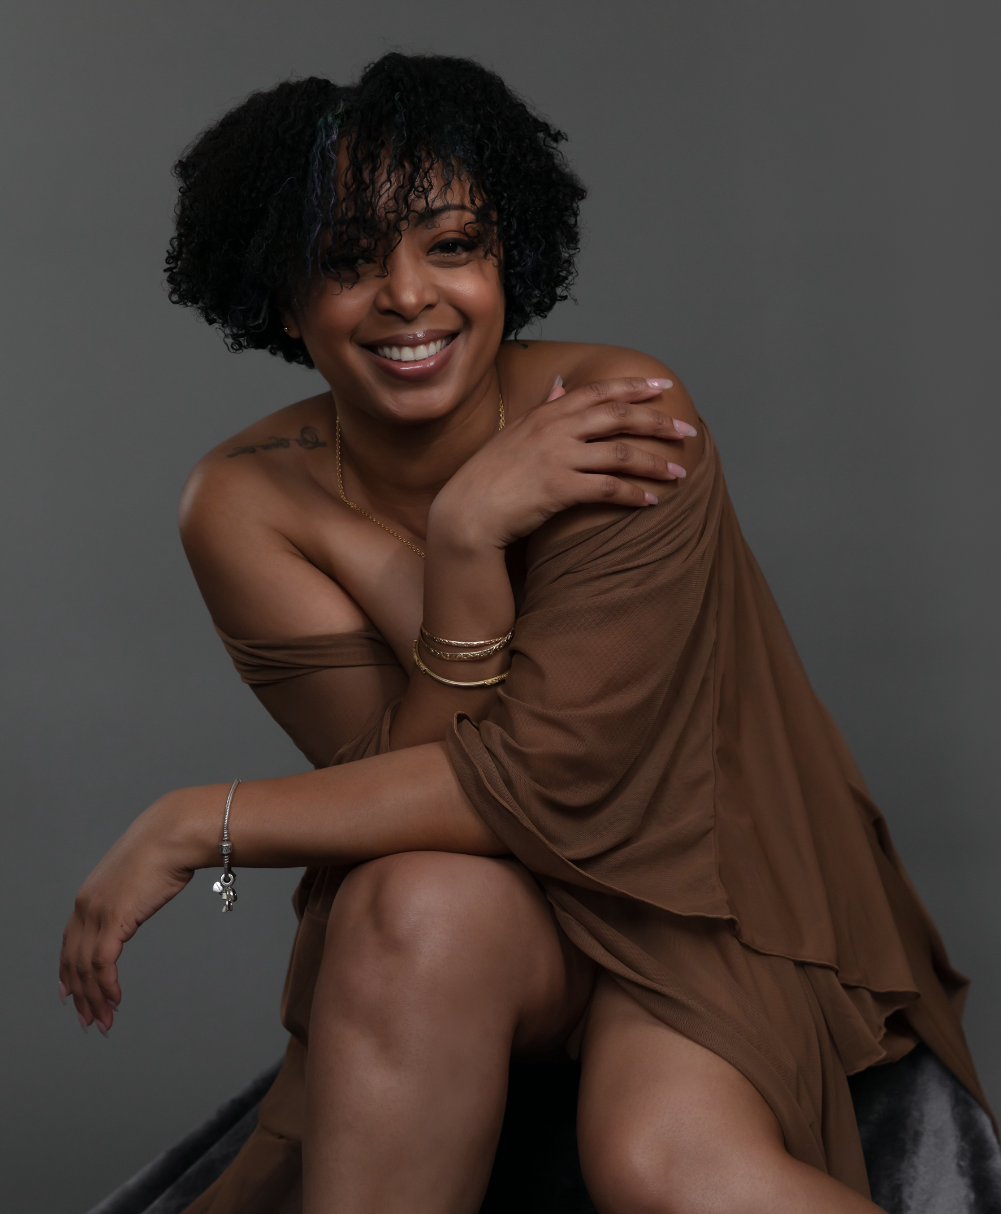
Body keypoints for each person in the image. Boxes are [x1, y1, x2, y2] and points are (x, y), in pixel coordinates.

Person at [60, 53, 992, 1214]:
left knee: (659, 1163)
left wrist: (200, 822)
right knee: (402, 896)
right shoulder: (245, 498)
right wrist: (460, 553)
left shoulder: (620, 411)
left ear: (508, 259)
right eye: (347, 260)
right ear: (282, 297)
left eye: (452, 245)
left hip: (702, 889)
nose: (409, 295)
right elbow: (399, 802)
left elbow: (556, 775)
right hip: (498, 905)